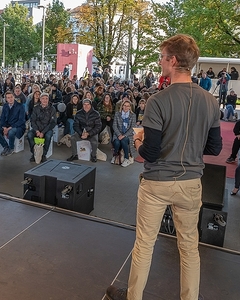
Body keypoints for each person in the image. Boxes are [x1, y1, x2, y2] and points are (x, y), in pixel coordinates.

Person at [106, 34, 222, 300]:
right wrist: (190, 146)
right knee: (190, 249)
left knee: (145, 245)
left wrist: (137, 140)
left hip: (157, 184)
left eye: (161, 57)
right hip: (191, 184)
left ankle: (133, 297)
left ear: (172, 60)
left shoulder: (158, 100)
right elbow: (214, 148)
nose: (159, 62)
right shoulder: (210, 101)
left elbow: (151, 153)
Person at [67, 99, 102, 163]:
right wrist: (81, 133)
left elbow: (98, 127)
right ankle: (74, 154)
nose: (86, 106)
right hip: (81, 132)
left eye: (88, 104)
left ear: (91, 105)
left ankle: (93, 155)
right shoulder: (78, 113)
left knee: (94, 142)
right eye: (84, 104)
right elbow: (75, 125)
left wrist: (89, 133)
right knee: (73, 138)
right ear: (82, 105)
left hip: (91, 132)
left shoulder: (96, 114)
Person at [0, 91, 26, 156]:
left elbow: (21, 120)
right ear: (6, 99)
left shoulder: (20, 106)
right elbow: (2, 118)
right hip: (7, 126)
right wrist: (4, 127)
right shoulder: (5, 106)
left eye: (11, 97)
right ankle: (5, 146)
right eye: (8, 98)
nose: (10, 99)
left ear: (14, 97)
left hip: (18, 126)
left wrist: (9, 128)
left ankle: (11, 148)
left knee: (11, 132)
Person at [27, 92, 56, 163]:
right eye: (43, 98)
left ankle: (43, 154)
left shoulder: (52, 109)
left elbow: (52, 123)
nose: (45, 100)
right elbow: (32, 120)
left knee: (48, 136)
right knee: (29, 135)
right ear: (40, 99)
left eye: (46, 98)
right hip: (37, 129)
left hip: (47, 129)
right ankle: (34, 153)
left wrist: (43, 132)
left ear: (48, 100)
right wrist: (37, 130)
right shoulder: (36, 108)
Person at [111, 99, 136, 167]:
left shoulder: (133, 115)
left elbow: (132, 128)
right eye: (124, 105)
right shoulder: (117, 114)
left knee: (124, 141)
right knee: (116, 142)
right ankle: (115, 155)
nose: (126, 107)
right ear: (122, 106)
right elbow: (114, 126)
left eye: (128, 106)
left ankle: (126, 159)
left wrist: (124, 135)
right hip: (118, 133)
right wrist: (119, 134)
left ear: (130, 107)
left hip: (128, 135)